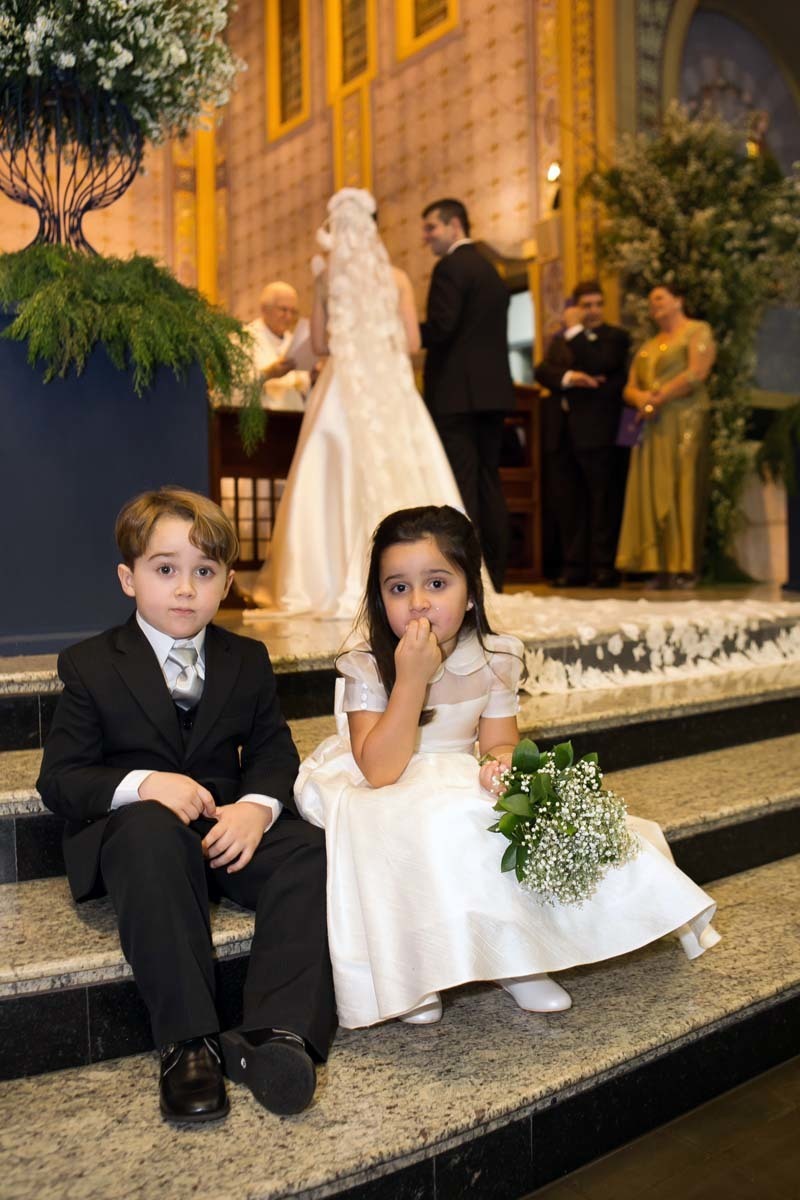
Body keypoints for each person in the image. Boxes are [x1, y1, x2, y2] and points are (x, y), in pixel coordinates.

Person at [293, 505, 720, 1030]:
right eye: (397, 588)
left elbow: (497, 742)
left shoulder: (496, 658)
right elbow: (380, 769)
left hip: (454, 771)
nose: (418, 602)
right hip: (383, 777)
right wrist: (410, 679)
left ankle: (514, 957)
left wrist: (499, 769)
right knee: (426, 824)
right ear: (380, 599)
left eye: (436, 583)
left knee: (492, 822)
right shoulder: (366, 663)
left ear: (470, 591)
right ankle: (413, 972)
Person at [37, 488, 336, 1123]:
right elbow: (60, 780)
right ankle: (188, 1043)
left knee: (311, 851)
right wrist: (144, 782)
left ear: (227, 582)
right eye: (164, 569)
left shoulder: (246, 659)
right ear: (128, 578)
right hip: (136, 841)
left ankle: (278, 1034)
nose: (184, 588)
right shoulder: (91, 665)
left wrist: (255, 807)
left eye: (203, 572)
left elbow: (273, 753)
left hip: (220, 832)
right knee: (149, 829)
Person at [251, 188, 463, 617]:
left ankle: (327, 579)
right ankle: (429, 577)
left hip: (342, 384)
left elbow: (325, 342)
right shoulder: (398, 277)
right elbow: (413, 342)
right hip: (389, 386)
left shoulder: (326, 276)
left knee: (331, 467)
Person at [420, 198, 515, 593]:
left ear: (454, 224)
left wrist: (399, 332)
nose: (426, 238)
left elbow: (442, 327)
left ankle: (473, 573)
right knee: (488, 483)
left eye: (431, 228)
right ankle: (497, 568)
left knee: (462, 485)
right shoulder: (493, 270)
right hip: (493, 393)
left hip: (457, 394)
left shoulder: (451, 267)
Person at [615, 284, 716, 588]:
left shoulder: (697, 331)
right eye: (651, 301)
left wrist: (659, 396)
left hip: (685, 419)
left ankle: (685, 565)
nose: (654, 305)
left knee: (682, 486)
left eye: (659, 298)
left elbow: (697, 373)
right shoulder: (648, 346)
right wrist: (641, 398)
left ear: (678, 300)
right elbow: (629, 386)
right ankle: (655, 565)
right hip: (652, 424)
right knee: (650, 490)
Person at [534, 281, 631, 587]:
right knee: (569, 501)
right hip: (562, 433)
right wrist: (570, 377)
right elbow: (542, 371)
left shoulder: (615, 337)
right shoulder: (559, 340)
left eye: (597, 304)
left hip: (597, 431)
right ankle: (574, 566)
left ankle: (604, 567)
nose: (592, 310)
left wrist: (575, 332)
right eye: (586, 305)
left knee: (602, 501)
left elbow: (601, 363)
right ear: (575, 306)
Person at [245, 280, 311, 411]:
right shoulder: (245, 339)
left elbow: (303, 387)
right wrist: (269, 373)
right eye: (283, 309)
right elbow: (236, 386)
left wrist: (313, 378)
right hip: (262, 420)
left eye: (293, 312)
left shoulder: (295, 342)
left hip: (294, 420)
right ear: (264, 309)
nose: (289, 317)